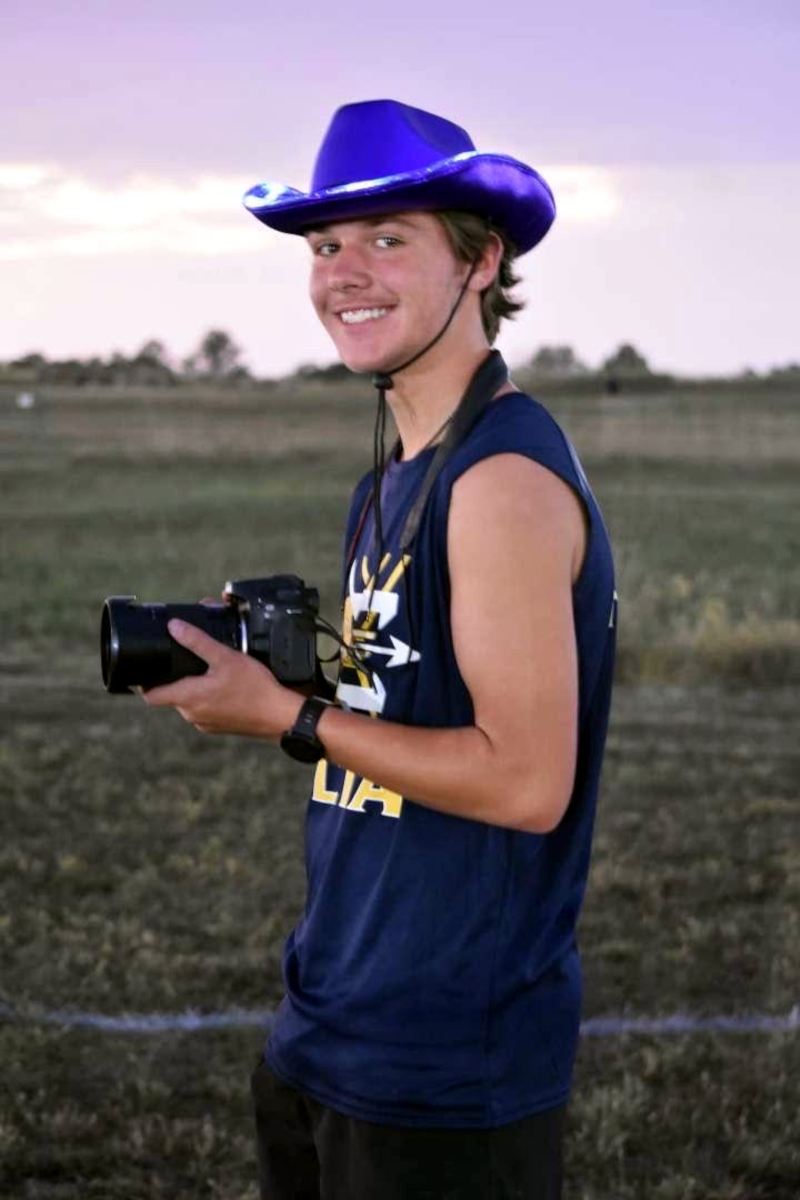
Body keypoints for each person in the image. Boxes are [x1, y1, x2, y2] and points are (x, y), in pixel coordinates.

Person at [141, 99, 617, 1199]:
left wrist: (289, 717)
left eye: (386, 239)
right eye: (324, 245)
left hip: (444, 1063)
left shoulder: (497, 481)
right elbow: (406, 714)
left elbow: (525, 780)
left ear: (479, 258)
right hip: (333, 1020)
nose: (343, 272)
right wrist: (276, 673)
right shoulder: (390, 476)